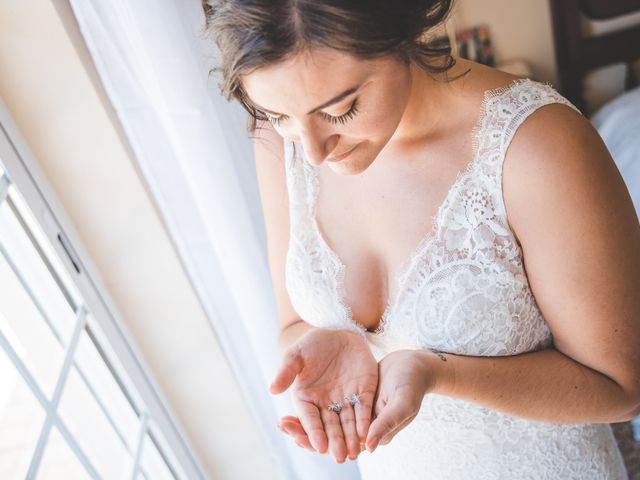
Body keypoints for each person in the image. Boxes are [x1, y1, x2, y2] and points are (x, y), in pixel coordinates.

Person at [203, 0, 640, 478]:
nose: (311, 152)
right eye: (278, 114)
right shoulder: (278, 143)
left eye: (343, 110)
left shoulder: (536, 145)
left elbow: (620, 389)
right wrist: (328, 344)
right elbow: (293, 323)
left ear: (403, 30)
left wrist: (438, 372)